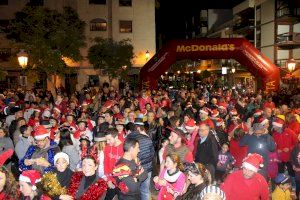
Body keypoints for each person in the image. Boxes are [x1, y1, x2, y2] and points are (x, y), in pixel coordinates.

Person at [126, 118, 155, 200]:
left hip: (133, 170)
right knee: (145, 191)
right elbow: (152, 154)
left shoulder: (128, 138)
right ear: (139, 128)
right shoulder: (147, 138)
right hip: (147, 169)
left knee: (132, 191)